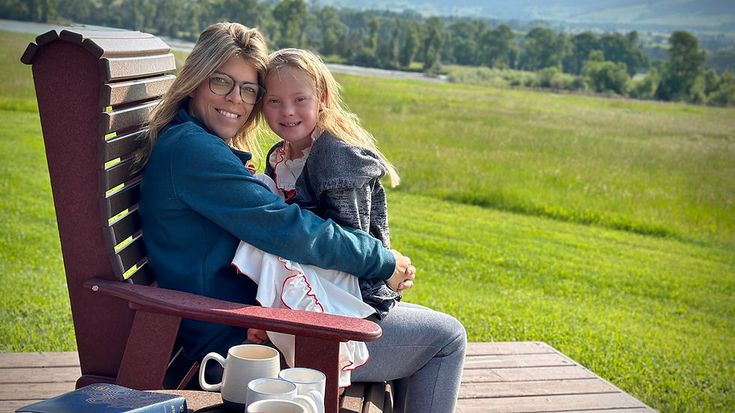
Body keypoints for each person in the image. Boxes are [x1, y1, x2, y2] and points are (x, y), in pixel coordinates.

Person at [138, 22, 465, 412]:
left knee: (425, 326)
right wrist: (382, 260)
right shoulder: (192, 152)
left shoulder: (191, 144)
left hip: (261, 317)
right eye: (220, 82)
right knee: (446, 338)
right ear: (195, 81)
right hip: (250, 343)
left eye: (247, 90)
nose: (235, 100)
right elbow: (287, 228)